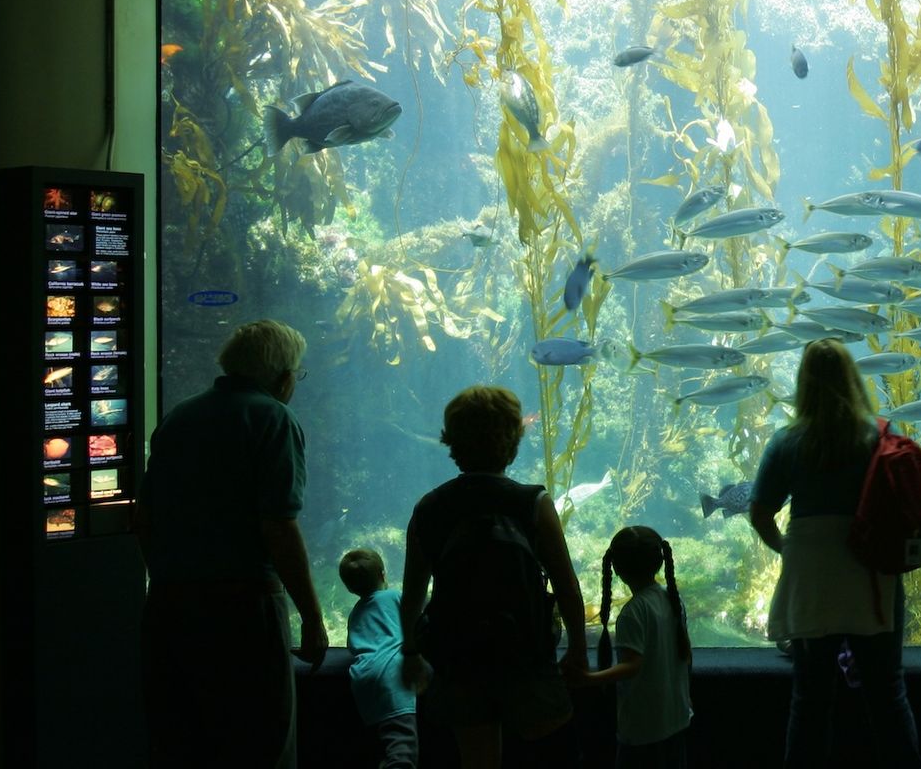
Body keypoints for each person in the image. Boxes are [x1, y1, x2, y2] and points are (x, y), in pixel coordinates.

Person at [135, 318, 325, 768]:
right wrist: (313, 618)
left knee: (184, 743)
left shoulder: (179, 416)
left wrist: (167, 577)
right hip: (243, 609)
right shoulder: (273, 417)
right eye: (295, 375)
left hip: (168, 607)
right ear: (282, 377)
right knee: (260, 741)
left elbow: (143, 517)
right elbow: (278, 526)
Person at [749, 339, 921, 768]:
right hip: (873, 576)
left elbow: (760, 513)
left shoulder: (787, 441)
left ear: (803, 382)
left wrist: (787, 550)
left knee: (809, 698)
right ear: (854, 378)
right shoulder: (882, 436)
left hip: (812, 576)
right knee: (887, 692)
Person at [398, 385, 590, 769]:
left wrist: (411, 651)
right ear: (513, 439)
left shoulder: (430, 507)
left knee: (478, 760)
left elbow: (413, 593)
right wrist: (578, 649)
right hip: (527, 656)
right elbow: (567, 586)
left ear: (451, 441)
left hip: (459, 658)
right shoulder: (532, 503)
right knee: (550, 753)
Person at [582, 526, 694, 768]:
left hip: (643, 731)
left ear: (617, 569)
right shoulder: (672, 600)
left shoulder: (633, 613)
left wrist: (589, 679)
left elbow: (631, 666)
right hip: (675, 721)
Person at [339, 548, 419, 768]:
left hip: (362, 679)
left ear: (349, 588)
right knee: (402, 751)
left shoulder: (355, 613)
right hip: (392, 677)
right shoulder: (394, 596)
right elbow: (419, 621)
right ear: (383, 575)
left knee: (380, 746)